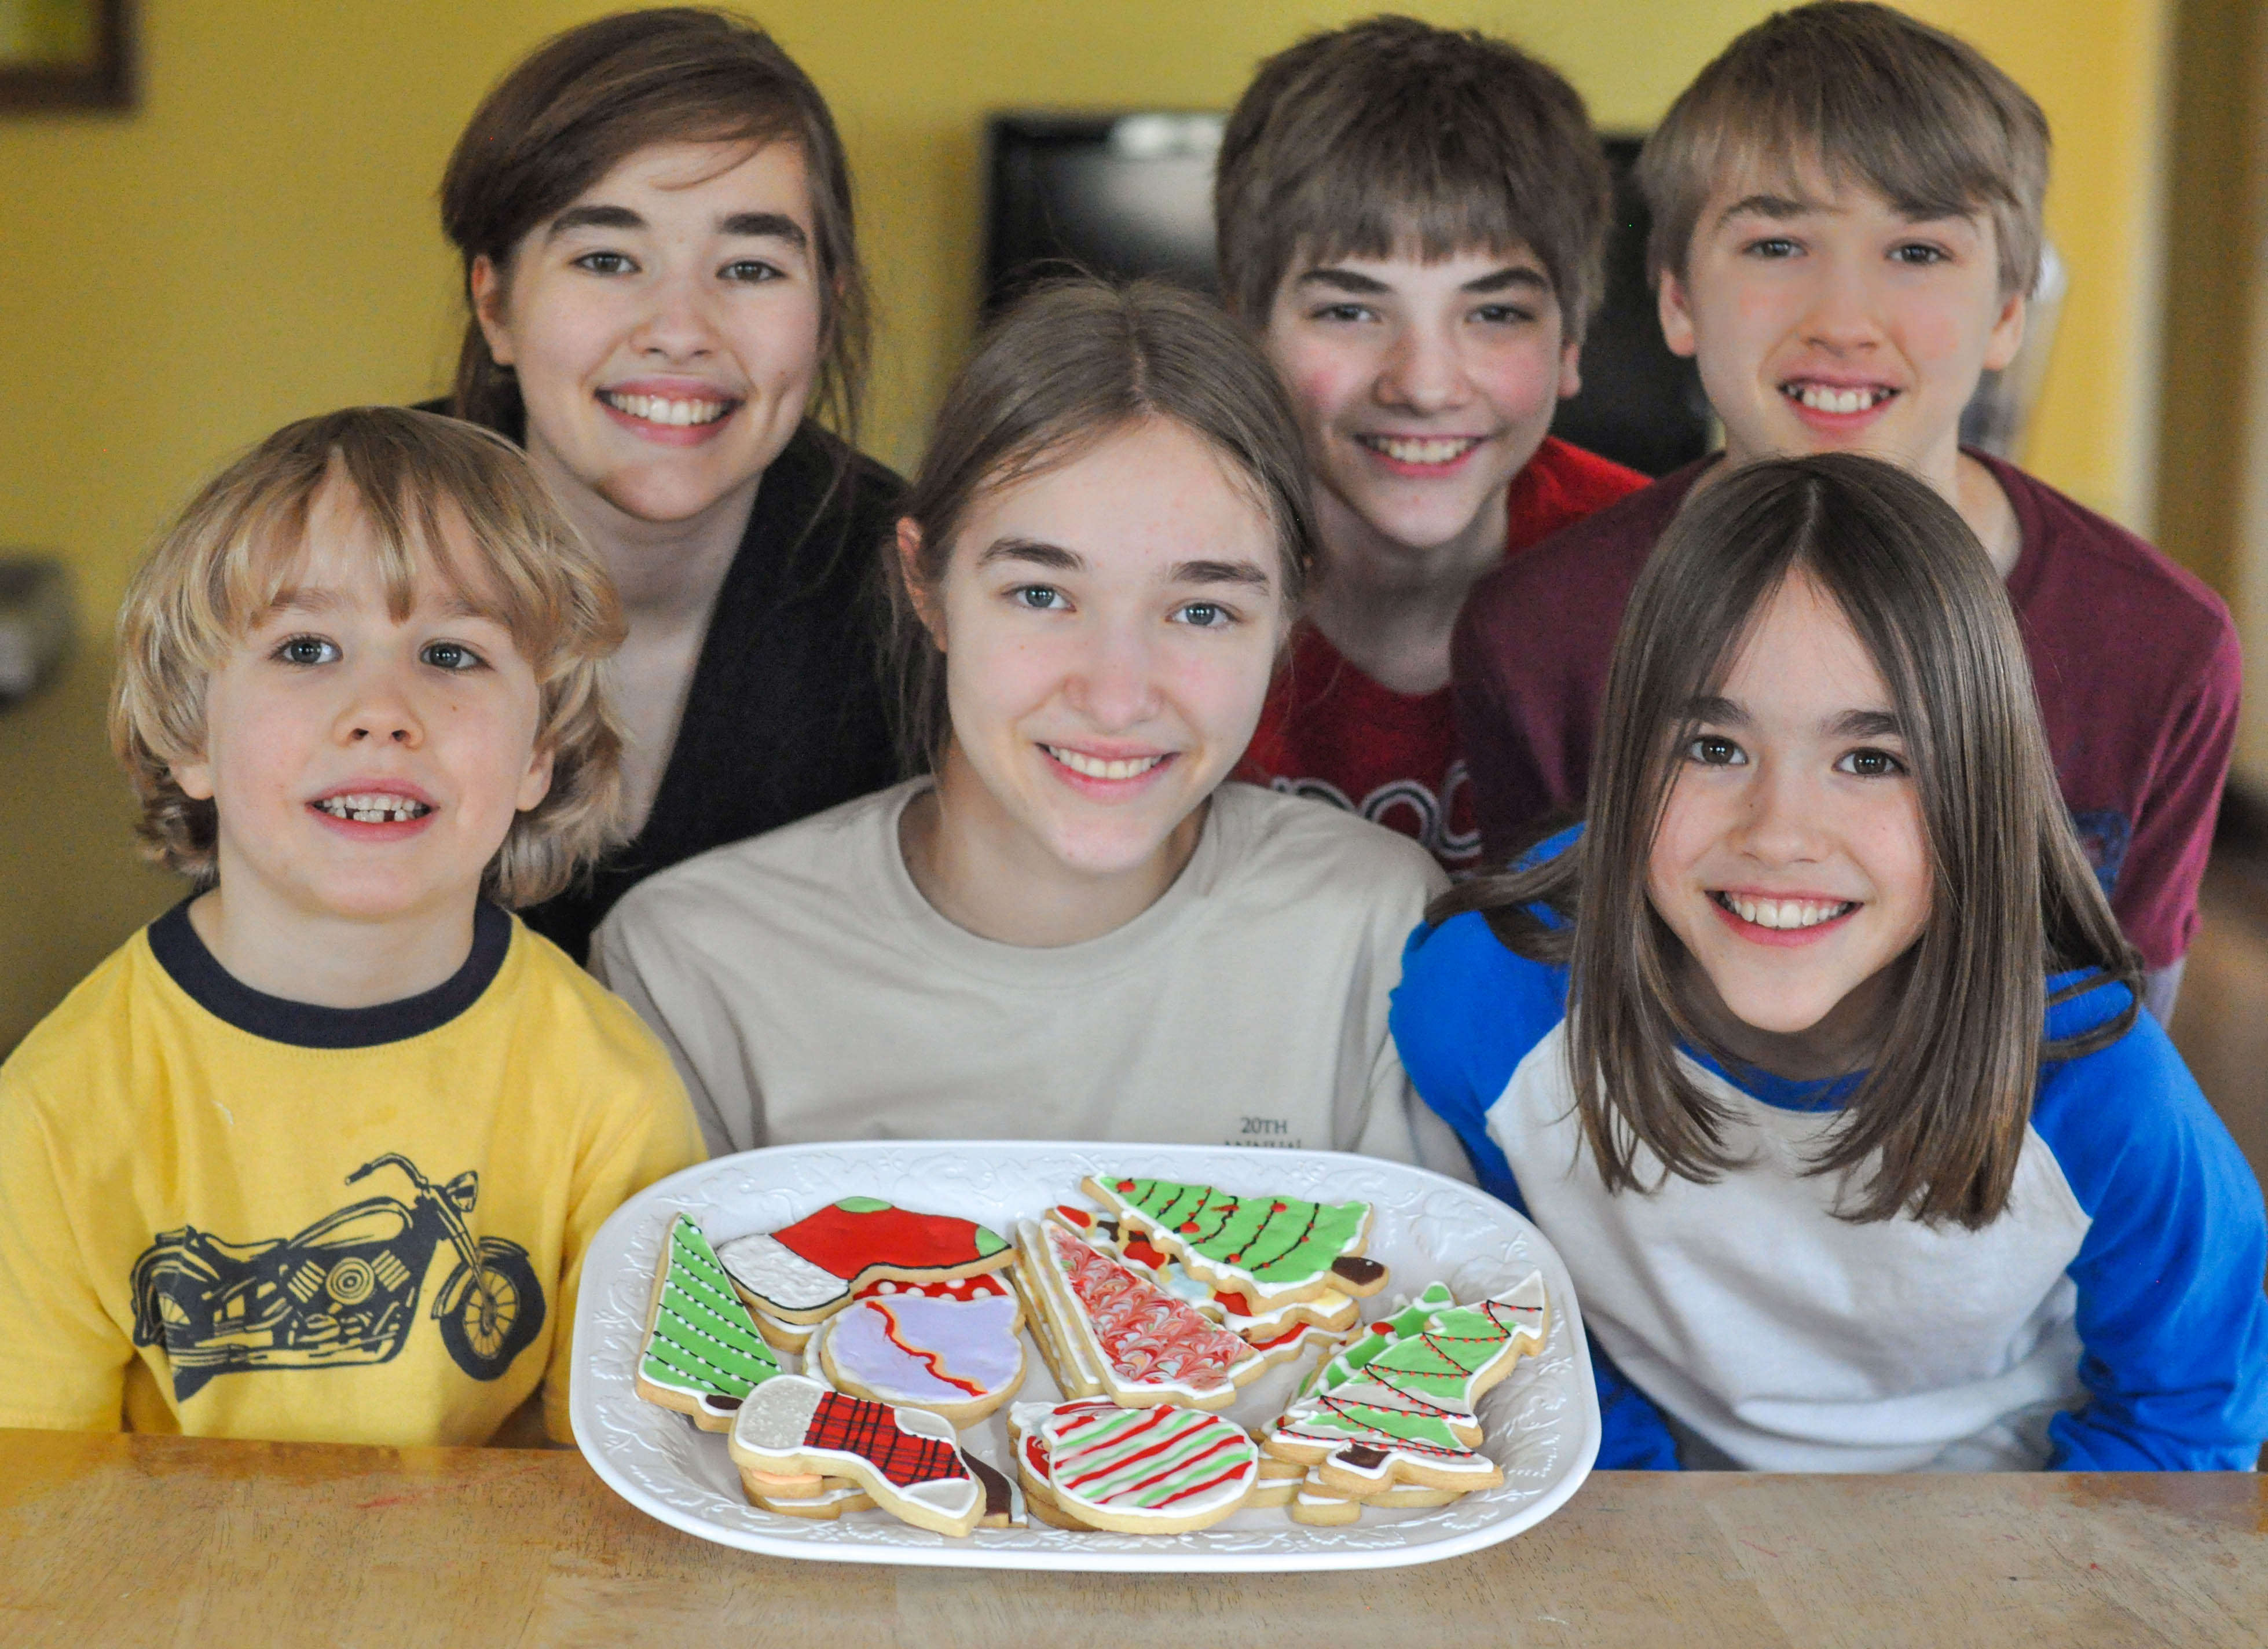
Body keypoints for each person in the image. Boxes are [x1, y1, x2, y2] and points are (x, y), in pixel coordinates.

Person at [1395, 453, 2268, 1472]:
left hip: (2011, 1517)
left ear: (1976, 797)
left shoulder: (2095, 1087)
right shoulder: (1483, 1006)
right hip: (1642, 1513)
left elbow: (2187, 1417)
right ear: (1626, 758)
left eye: (1871, 761)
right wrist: (1650, 1526)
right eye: (1714, 748)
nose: (1780, 834)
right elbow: (1522, 1322)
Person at [1451, 2, 2236, 1022]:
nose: (1844, 321)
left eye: (1916, 252)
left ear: (2005, 313)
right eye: (1778, 245)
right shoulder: (1537, 634)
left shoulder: (2161, 645)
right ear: (1678, 300)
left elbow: (2125, 1044)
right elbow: (1543, 1019)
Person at [592, 280, 1464, 1168]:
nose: (1118, 697)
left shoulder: (1378, 928)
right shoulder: (691, 969)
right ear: (925, 587)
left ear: (1285, 613)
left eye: (1201, 611)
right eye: (1041, 595)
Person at [0, 409, 704, 1445]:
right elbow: (32, 1500)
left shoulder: (615, 1096)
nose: (382, 709)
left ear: (537, 754)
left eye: (453, 655)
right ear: (190, 729)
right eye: (308, 646)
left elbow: (628, 1486)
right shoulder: (58, 1109)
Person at [437, 8, 902, 961]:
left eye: (751, 266)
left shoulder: (927, 597)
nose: (680, 328)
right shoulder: (332, 547)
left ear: (825, 313)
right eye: (608, 259)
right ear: (495, 304)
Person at [1214, 16, 1646, 874]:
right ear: (1245, 330)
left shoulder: (1668, 572)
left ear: (1569, 344)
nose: (1423, 384)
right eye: (1348, 310)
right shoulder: (1145, 575)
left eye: (1494, 313)